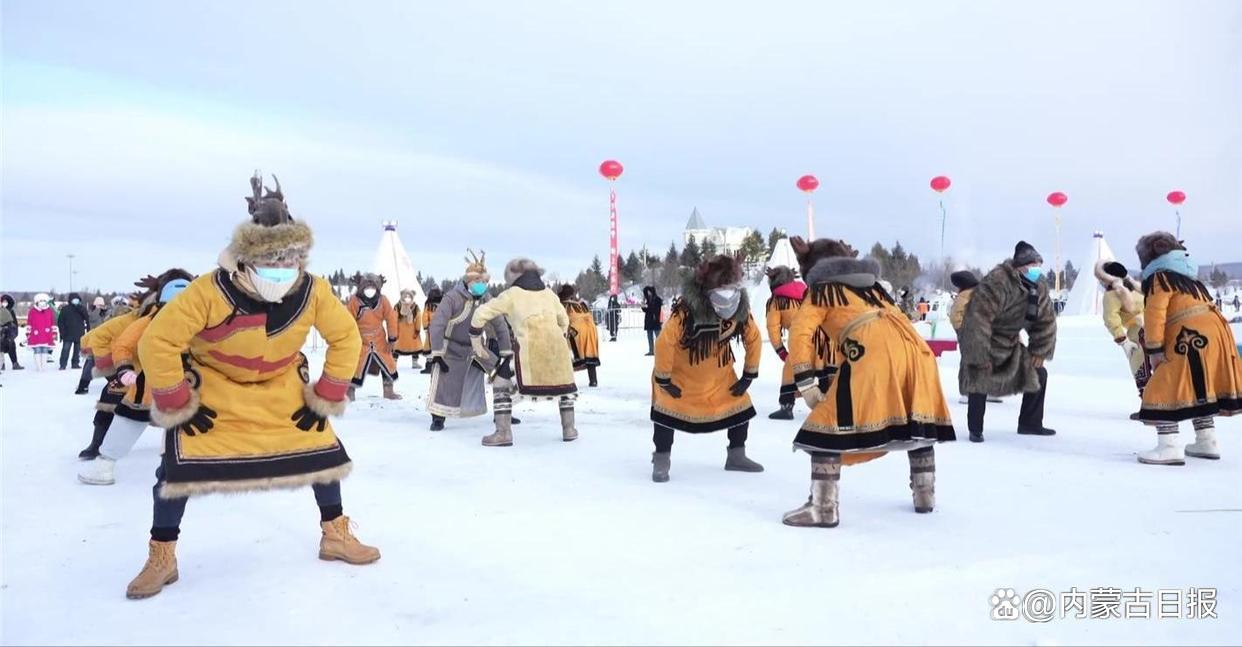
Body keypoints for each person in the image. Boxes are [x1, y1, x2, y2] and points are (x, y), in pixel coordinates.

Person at [120, 173, 375, 600]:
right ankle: (161, 555)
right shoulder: (208, 291)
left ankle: (335, 534)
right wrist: (178, 399)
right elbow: (157, 340)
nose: (281, 273)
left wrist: (327, 394)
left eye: (288, 264)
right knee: (176, 468)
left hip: (279, 382)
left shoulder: (313, 291)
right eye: (270, 265)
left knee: (321, 452)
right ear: (244, 258)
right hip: (215, 385)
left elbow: (346, 337)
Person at [783, 239, 955, 528]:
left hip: (871, 353)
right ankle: (925, 495)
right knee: (915, 419)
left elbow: (800, 333)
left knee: (823, 428)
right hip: (917, 351)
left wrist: (806, 381)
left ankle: (823, 508)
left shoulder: (823, 290)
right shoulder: (874, 288)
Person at [650, 253, 762, 482]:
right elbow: (664, 342)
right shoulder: (686, 311)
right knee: (665, 413)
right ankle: (661, 461)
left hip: (720, 376)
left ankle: (736, 456)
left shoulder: (741, 309)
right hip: (681, 378)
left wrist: (748, 375)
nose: (726, 303)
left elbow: (754, 337)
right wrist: (664, 379)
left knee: (740, 407)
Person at [1133, 232, 1241, 465]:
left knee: (1163, 386)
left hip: (1189, 334)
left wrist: (1154, 350)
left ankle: (1168, 446)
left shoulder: (1159, 278)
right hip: (1216, 332)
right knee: (1199, 386)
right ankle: (1207, 440)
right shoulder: (1187, 275)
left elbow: (1155, 314)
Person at [78, 271, 194, 485]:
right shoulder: (149, 319)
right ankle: (104, 462)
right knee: (128, 419)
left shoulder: (201, 320)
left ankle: (187, 468)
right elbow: (123, 343)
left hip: (184, 386)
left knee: (189, 426)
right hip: (148, 385)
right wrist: (122, 369)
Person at [470, 258, 579, 446]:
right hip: (558, 352)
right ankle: (569, 429)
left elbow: (481, 314)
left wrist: (475, 339)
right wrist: (555, 337)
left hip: (528, 352)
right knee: (565, 388)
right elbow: (564, 321)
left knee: (500, 382)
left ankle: (503, 432)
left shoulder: (512, 294)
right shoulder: (549, 295)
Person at [959, 241, 1058, 442]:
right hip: (985, 342)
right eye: (1032, 265)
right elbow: (977, 320)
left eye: (1039, 264)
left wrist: (1040, 350)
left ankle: (1030, 423)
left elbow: (1045, 320)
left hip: (1011, 346)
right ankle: (975, 428)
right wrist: (979, 355)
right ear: (1019, 266)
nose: (1036, 269)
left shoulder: (1038, 287)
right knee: (979, 377)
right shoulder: (997, 282)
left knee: (1040, 373)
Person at [425, 251, 513, 432]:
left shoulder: (487, 299)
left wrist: (505, 353)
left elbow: (500, 324)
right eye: (478, 282)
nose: (482, 285)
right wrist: (437, 353)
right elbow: (437, 325)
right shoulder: (452, 298)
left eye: (485, 282)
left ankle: (503, 413)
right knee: (445, 381)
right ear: (469, 281)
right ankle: (438, 418)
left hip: (476, 347)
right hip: (451, 348)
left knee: (501, 374)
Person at [76, 281, 150, 459]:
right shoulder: (127, 321)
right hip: (128, 369)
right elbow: (93, 337)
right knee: (109, 399)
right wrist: (107, 363)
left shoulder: (176, 318)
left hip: (163, 371)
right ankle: (96, 443)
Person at [1096, 260, 1150, 417]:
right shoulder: (1137, 288)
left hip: (1137, 332)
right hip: (1155, 326)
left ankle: (1148, 407)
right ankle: (1164, 404)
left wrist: (1122, 340)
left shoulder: (1112, 294)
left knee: (1140, 368)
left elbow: (1110, 319)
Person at [346, 273, 401, 401]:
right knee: (354, 364)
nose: (370, 290)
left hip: (379, 339)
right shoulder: (355, 302)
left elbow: (391, 318)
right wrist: (348, 339)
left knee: (388, 363)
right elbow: (348, 320)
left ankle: (388, 391)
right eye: (366, 286)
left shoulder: (383, 301)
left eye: (373, 286)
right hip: (360, 339)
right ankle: (349, 390)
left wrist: (392, 338)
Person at [764, 265, 807, 420]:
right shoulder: (806, 294)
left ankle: (786, 407)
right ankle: (831, 405)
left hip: (801, 341)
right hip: (823, 340)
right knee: (826, 373)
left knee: (789, 371)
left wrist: (780, 350)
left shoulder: (777, 301)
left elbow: (773, 327)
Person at [559, 284, 600, 387]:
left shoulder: (564, 305)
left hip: (576, 331)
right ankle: (593, 380)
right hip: (590, 329)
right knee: (590, 354)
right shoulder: (581, 304)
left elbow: (563, 319)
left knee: (567, 356)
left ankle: (567, 381)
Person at [57, 293, 90, 370]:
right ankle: (63, 364)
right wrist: (62, 332)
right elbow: (60, 321)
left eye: (77, 299)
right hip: (67, 334)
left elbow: (87, 319)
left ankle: (75, 363)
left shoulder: (82, 308)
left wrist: (88, 331)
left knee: (77, 350)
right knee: (65, 350)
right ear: (70, 300)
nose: (76, 301)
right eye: (74, 299)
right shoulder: (65, 309)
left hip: (79, 333)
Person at [392, 289, 424, 369]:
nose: (407, 298)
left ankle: (415, 362)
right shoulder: (398, 306)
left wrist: (417, 330)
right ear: (402, 296)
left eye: (409, 296)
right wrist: (394, 330)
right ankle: (393, 362)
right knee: (397, 347)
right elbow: (394, 318)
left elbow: (418, 318)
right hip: (401, 331)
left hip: (412, 331)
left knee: (415, 347)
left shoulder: (415, 307)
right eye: (405, 296)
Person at [25, 293, 58, 371]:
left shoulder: (49, 311)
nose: (42, 302)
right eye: (40, 301)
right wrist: (28, 333)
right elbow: (29, 322)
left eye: (44, 301)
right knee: (37, 350)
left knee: (44, 350)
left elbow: (52, 322)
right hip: (35, 334)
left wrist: (54, 333)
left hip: (47, 334)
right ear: (37, 302)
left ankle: (43, 367)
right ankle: (39, 367)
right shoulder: (32, 311)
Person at [418, 288, 443, 374]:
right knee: (431, 348)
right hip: (433, 329)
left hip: (438, 328)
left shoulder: (441, 305)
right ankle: (430, 366)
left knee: (436, 347)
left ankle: (434, 365)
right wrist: (425, 327)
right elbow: (425, 316)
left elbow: (425, 316)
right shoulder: (430, 305)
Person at [0, 295, 23, 371]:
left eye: (5, 302)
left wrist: (14, 333)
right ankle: (2, 364)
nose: (4, 303)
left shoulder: (10, 310)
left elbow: (15, 323)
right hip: (1, 332)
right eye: (3, 302)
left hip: (10, 332)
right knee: (1, 349)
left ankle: (15, 363)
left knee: (12, 348)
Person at [641, 286, 663, 356]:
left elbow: (656, 310)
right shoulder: (648, 300)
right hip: (649, 320)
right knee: (649, 337)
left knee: (658, 337)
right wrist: (643, 307)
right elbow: (647, 310)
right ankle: (651, 350)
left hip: (655, 320)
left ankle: (661, 350)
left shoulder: (657, 299)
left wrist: (648, 308)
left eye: (649, 292)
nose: (649, 294)